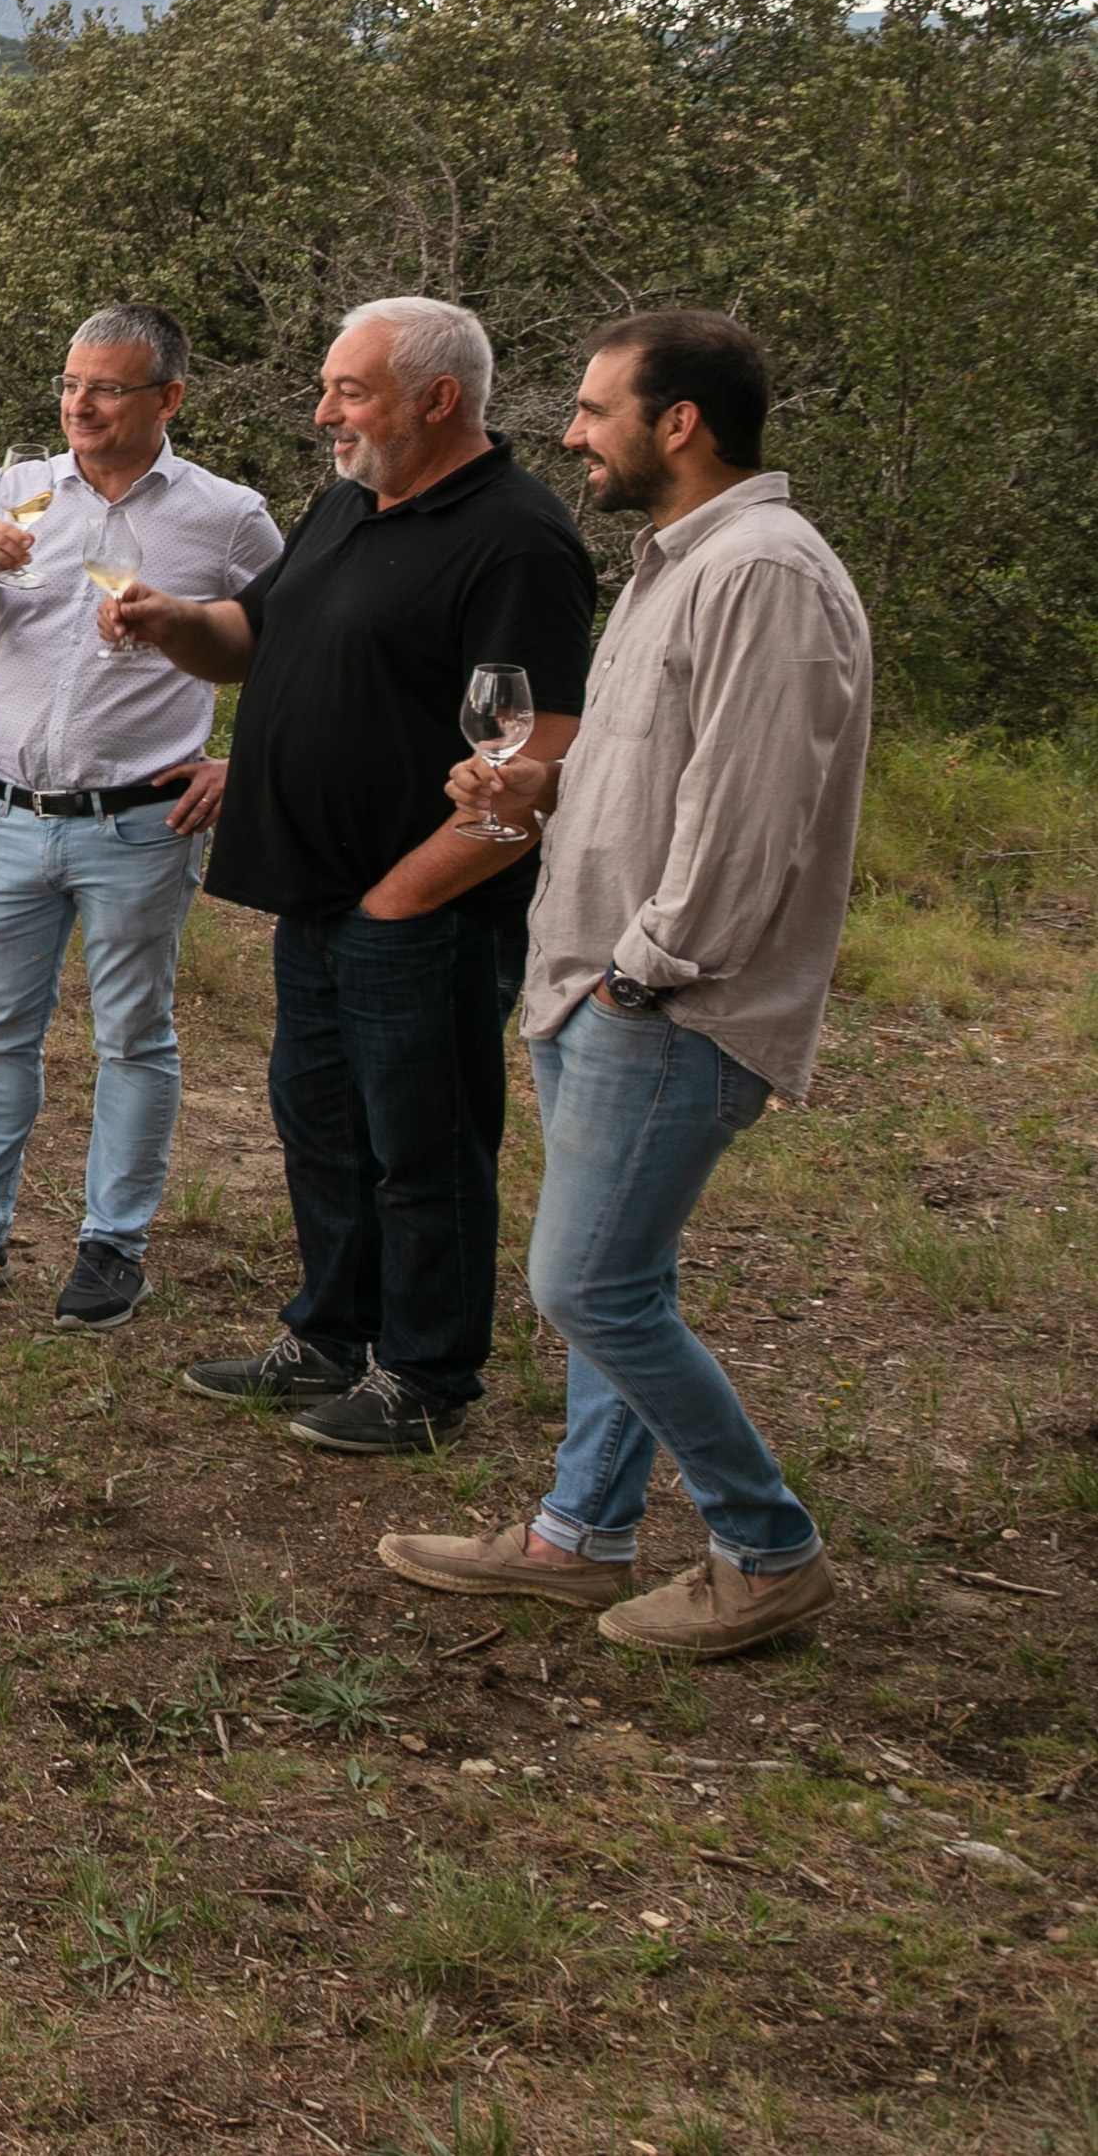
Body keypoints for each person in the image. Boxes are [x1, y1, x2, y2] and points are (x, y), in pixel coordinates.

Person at [379, 311, 867, 1656]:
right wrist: (539, 779)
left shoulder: (764, 570)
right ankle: (576, 1536)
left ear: (680, 422)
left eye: (594, 410)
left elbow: (750, 812)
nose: (573, 432)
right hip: (597, 977)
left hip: (667, 996)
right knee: (618, 1271)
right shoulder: (678, 563)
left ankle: (767, 1546)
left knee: (590, 1286)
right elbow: (659, 766)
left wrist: (641, 977)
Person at [109, 295, 594, 1453]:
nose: (324, 410)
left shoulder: (516, 539)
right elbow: (252, 640)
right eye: (329, 386)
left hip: (419, 908)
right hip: (314, 896)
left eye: (351, 390)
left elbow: (542, 752)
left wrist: (404, 892)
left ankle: (425, 1374)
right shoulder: (347, 503)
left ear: (438, 399)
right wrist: (178, 622)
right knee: (321, 1127)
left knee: (421, 1147)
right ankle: (330, 1333)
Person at [0, 305, 282, 1329]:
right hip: (9, 814)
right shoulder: (19, 492)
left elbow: (299, 647)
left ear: (167, 399)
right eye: (69, 384)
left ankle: (111, 1247)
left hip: (138, 825)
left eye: (106, 387)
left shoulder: (226, 515)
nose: (80, 405)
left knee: (133, 1036)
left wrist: (245, 759)